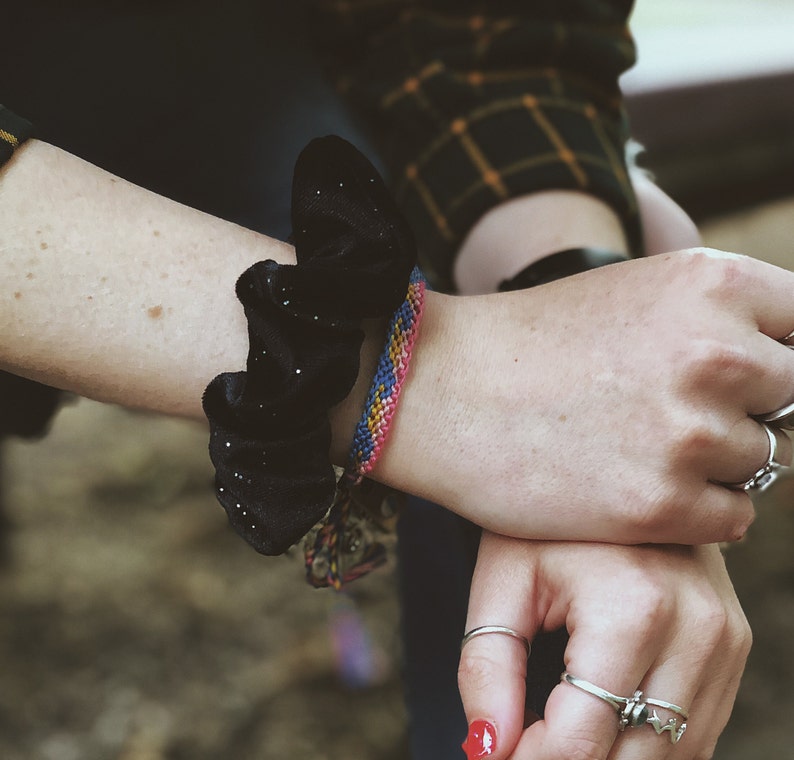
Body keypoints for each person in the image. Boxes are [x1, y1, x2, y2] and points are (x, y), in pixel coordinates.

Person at [2, 3, 793, 759]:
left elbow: (480, 30)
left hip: (215, 50)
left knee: (589, 556)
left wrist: (575, 317)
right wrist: (439, 380)